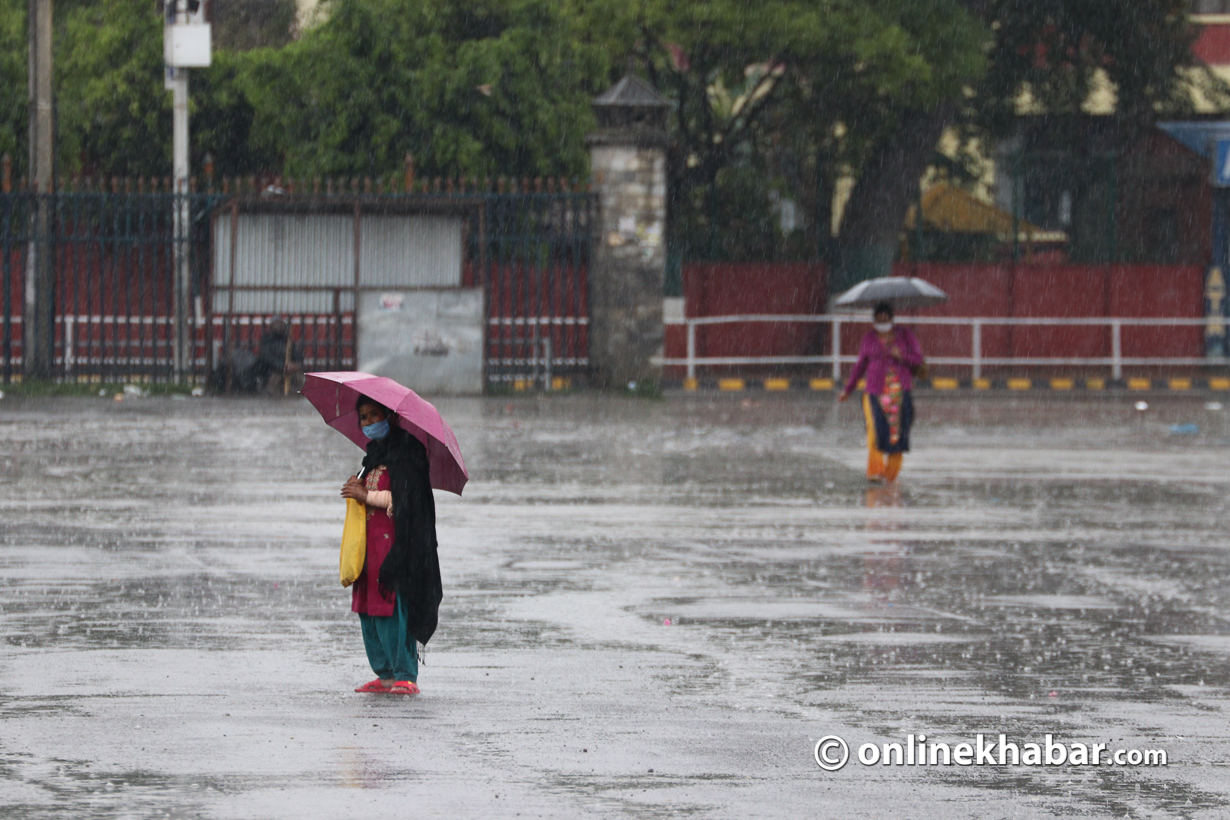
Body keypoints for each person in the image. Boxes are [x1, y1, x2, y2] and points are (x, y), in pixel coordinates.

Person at [340, 396, 442, 695]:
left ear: (391, 417)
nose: (369, 422)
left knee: (393, 610)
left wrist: (366, 496)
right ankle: (384, 674)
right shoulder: (372, 457)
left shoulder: (408, 454)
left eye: (375, 415)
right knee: (368, 610)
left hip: (396, 550)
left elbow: (407, 503)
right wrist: (356, 489)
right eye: (364, 418)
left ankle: (405, 674)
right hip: (369, 550)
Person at [838, 302, 924, 483]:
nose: (881, 324)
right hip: (874, 393)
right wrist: (848, 389)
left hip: (900, 394)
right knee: (875, 433)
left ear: (892, 319)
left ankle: (890, 476)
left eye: (885, 320)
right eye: (878, 320)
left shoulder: (905, 335)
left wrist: (902, 356)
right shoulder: (869, 338)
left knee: (898, 437)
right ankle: (875, 472)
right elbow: (860, 365)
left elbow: (918, 359)